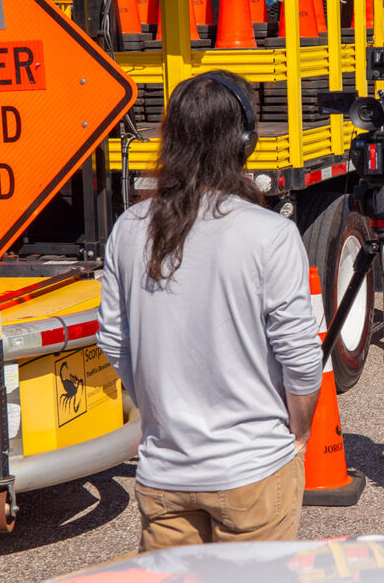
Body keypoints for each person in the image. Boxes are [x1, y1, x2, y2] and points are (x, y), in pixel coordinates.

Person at [97, 71, 323, 551]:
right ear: (245, 142)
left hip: (164, 473)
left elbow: (114, 341)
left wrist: (161, 410)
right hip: (252, 470)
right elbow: (301, 359)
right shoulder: (270, 233)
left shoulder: (129, 228)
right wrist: (298, 429)